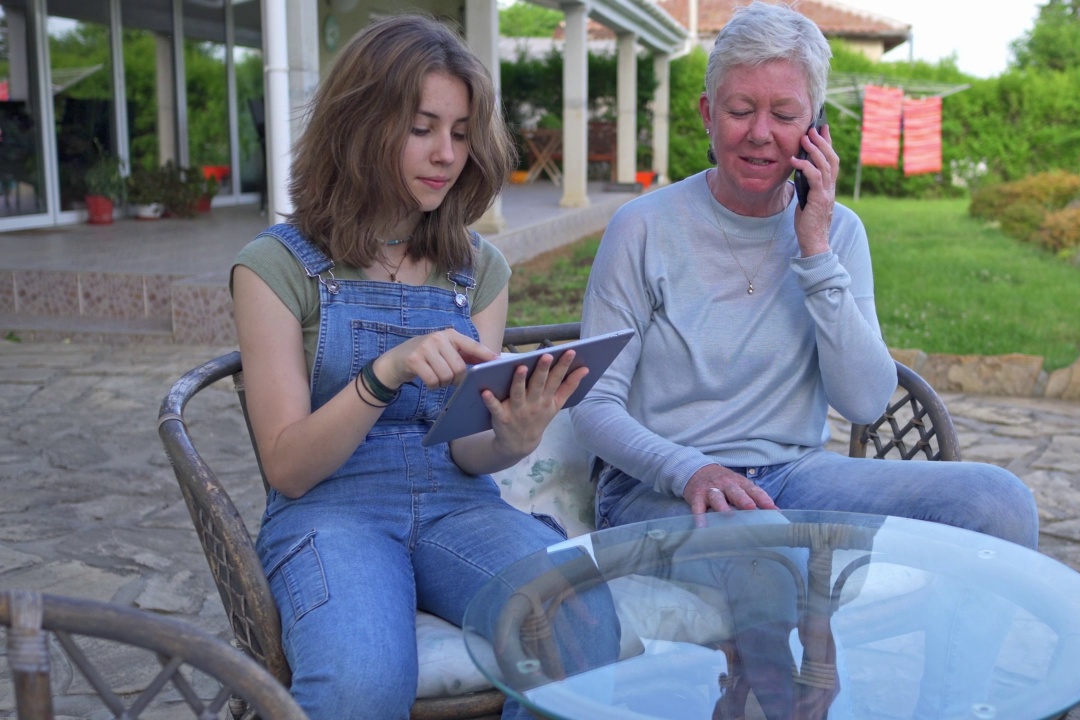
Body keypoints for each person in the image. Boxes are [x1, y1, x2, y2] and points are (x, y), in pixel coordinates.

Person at [570, 2, 1038, 717]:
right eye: (740, 109)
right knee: (768, 561)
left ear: (816, 127)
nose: (761, 133)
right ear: (705, 112)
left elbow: (867, 402)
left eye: (785, 113)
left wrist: (815, 250)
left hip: (792, 478)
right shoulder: (643, 227)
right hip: (658, 485)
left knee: (998, 504)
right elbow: (594, 406)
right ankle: (784, 703)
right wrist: (690, 467)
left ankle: (950, 705)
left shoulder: (838, 232)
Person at [230, 15, 616, 720]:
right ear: (360, 124)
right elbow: (287, 468)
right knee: (359, 686)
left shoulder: (477, 270)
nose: (446, 154)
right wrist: (386, 372)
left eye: (461, 132)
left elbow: (466, 453)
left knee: (583, 630)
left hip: (454, 503)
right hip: (329, 511)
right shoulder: (276, 267)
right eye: (421, 127)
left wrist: (512, 436)